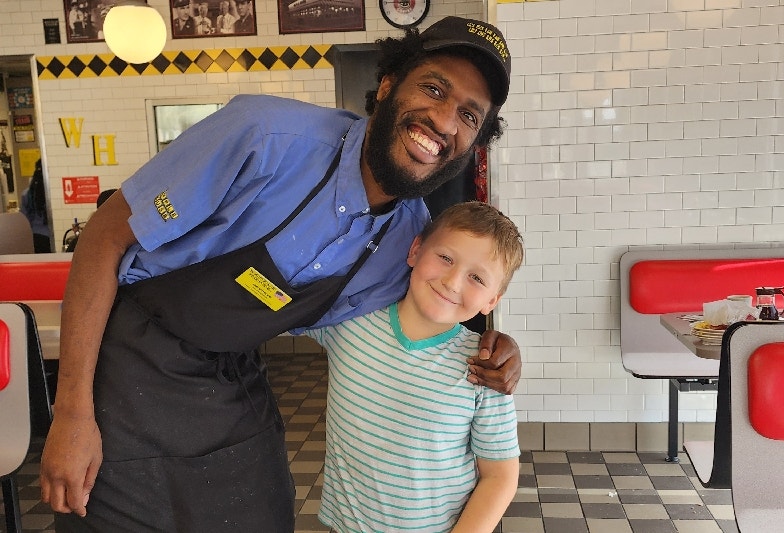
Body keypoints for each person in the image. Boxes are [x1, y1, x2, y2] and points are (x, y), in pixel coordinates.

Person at [40, 15, 519, 533]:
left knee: (262, 512)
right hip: (129, 359)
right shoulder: (264, 136)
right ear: (386, 86)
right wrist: (70, 412)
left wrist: (493, 348)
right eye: (433, 88)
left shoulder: (410, 238)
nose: (445, 121)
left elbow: (431, 314)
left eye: (469, 116)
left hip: (230, 375)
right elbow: (102, 238)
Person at [307, 201, 522, 532]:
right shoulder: (351, 321)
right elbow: (282, 309)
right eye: (446, 258)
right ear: (416, 250)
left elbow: (500, 475)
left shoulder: (484, 369)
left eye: (477, 277)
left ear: (491, 301)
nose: (452, 282)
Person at [20, 159, 52, 253]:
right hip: (49, 236)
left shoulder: (26, 194)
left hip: (35, 236)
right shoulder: (52, 196)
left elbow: (25, 219)